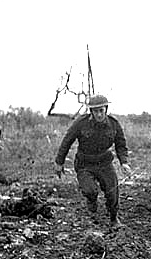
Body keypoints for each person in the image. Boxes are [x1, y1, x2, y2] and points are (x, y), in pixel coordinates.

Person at [55, 94, 131, 228]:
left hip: (104, 163)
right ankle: (91, 200)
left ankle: (114, 219)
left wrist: (123, 162)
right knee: (90, 190)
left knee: (112, 192)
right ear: (91, 112)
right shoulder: (81, 123)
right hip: (85, 164)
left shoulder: (113, 124)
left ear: (106, 109)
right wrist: (59, 162)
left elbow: (120, 144)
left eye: (101, 110)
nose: (99, 114)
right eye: (96, 111)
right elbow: (67, 141)